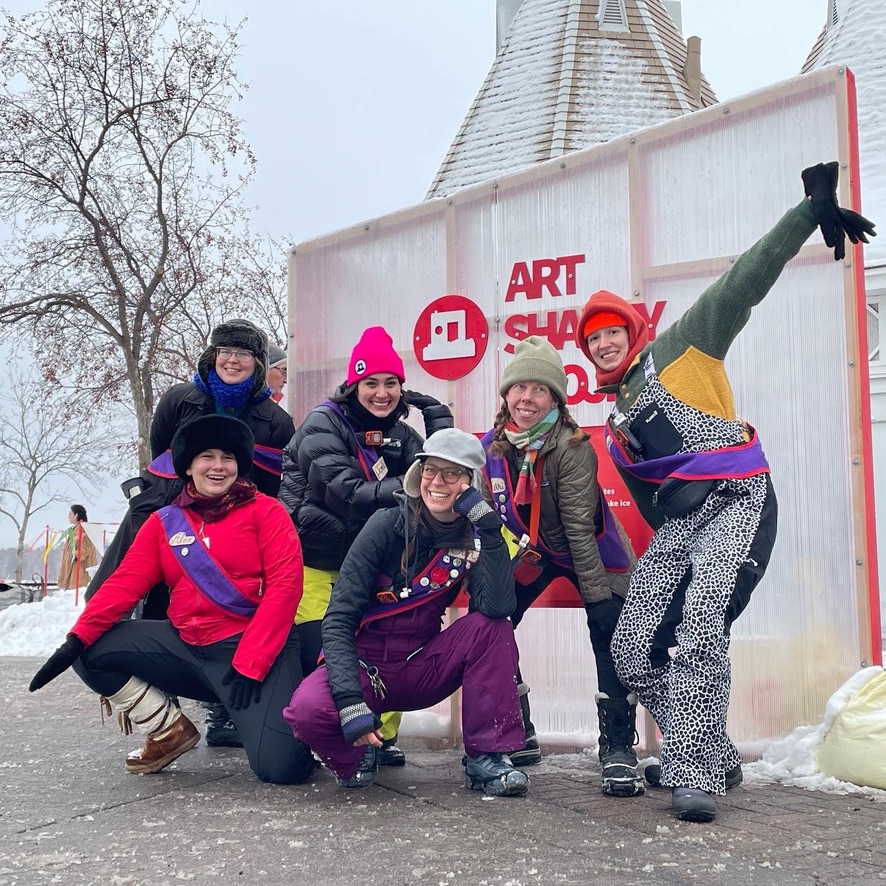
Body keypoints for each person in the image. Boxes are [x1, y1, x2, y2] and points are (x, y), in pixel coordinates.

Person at [574, 163, 875, 823]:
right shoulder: (617, 421)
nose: (603, 344)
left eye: (612, 332)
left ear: (632, 331)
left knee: (703, 626)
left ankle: (695, 771)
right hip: (683, 525)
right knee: (630, 646)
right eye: (593, 339)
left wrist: (805, 214)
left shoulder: (685, 346)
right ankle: (708, 742)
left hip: (737, 497)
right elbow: (655, 506)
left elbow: (743, 283)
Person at [29, 415, 315, 785]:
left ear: (239, 465)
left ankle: (308, 718)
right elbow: (124, 584)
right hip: (187, 648)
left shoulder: (268, 512)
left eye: (227, 457)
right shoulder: (165, 522)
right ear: (188, 466)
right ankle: (167, 729)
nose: (217, 466)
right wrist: (74, 639)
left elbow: (285, 588)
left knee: (282, 770)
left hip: (252, 654)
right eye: (206, 456)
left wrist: (252, 661)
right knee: (89, 647)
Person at [283, 428, 529, 797]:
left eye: (453, 473)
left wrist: (490, 530)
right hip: (367, 669)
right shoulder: (384, 524)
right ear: (418, 475)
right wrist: (349, 702)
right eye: (431, 470)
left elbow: (496, 608)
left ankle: (487, 757)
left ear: (470, 483)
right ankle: (356, 754)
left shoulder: (474, 535)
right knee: (306, 710)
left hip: (422, 667)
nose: (438, 482)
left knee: (493, 628)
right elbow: (339, 618)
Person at [84, 319, 294, 747]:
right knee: (152, 608)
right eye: (225, 351)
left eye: (244, 353)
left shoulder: (276, 419)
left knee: (229, 611)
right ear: (212, 355)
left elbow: (276, 481)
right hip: (166, 517)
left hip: (236, 525)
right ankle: (163, 716)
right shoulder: (179, 399)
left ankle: (225, 708)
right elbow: (163, 455)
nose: (233, 360)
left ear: (257, 362)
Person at [279, 325, 453, 767]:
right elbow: (349, 491)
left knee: (386, 646)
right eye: (371, 383)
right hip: (320, 558)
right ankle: (332, 738)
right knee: (324, 649)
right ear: (353, 384)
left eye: (391, 383)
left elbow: (441, 482)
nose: (381, 393)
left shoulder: (399, 433)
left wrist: (438, 432)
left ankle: (378, 738)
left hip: (373, 559)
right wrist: (416, 483)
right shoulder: (323, 423)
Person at [481, 336, 641, 796]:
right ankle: (518, 729)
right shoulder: (495, 446)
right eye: (519, 389)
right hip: (536, 551)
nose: (527, 399)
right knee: (490, 618)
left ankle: (616, 747)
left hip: (590, 549)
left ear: (555, 398)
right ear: (506, 394)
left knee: (608, 627)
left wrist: (597, 602)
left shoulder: (572, 447)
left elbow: (578, 532)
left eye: (540, 390)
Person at [56, 505, 100, 590]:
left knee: (77, 593)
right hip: (72, 569)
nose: (68, 516)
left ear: (76, 515)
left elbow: (87, 547)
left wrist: (75, 555)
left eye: (70, 514)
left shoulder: (84, 528)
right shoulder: (74, 529)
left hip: (80, 571)